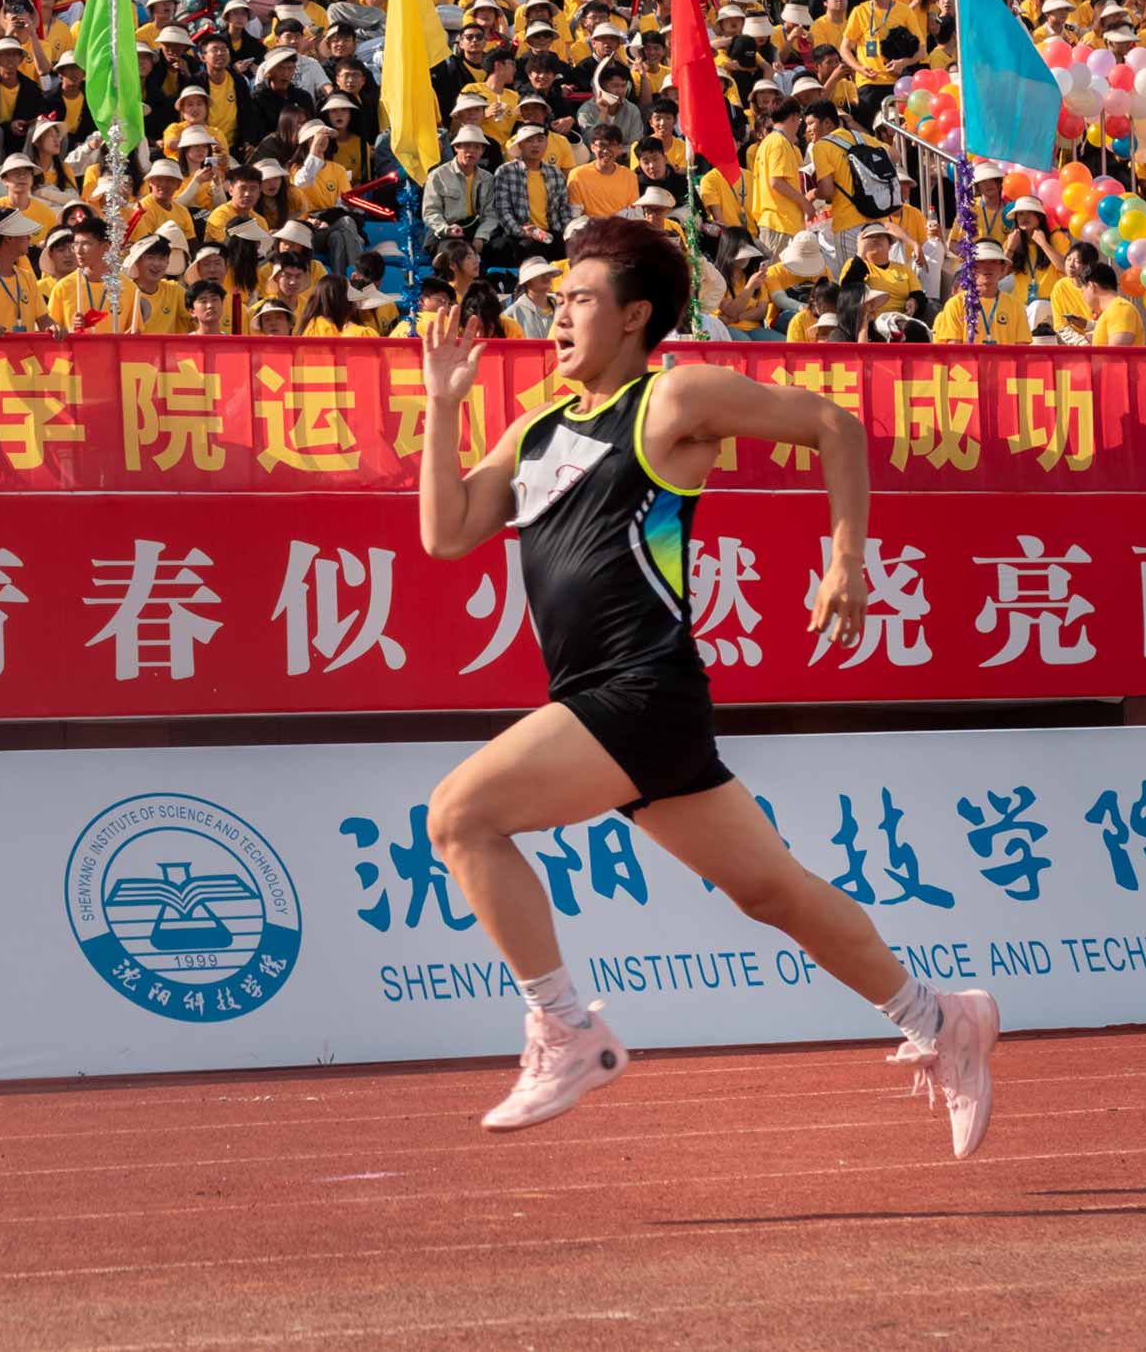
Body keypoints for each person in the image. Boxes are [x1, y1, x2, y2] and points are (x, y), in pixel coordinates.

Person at [414, 214, 998, 1152]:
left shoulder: (673, 398)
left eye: (578, 299)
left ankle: (564, 1026)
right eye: (555, 299)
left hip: (638, 689)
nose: (555, 315)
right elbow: (446, 534)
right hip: (621, 704)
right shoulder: (535, 428)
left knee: (458, 816)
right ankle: (939, 1017)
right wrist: (444, 406)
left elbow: (834, 425)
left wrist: (847, 558)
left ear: (635, 314)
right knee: (773, 892)